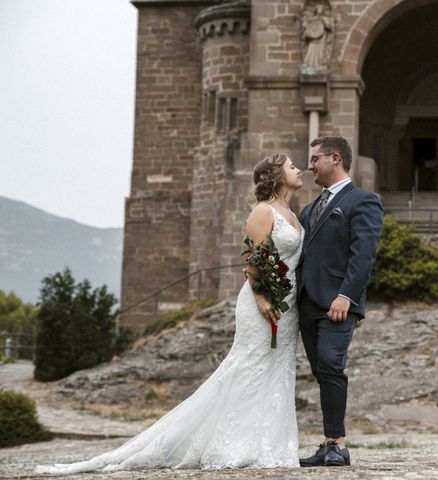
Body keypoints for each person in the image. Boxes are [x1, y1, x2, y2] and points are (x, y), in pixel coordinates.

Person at [35, 153, 304, 474]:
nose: (298, 169)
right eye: (291, 166)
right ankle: (232, 442)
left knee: (277, 369)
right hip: (261, 304)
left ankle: (270, 444)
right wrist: (261, 297)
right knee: (248, 369)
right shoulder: (262, 212)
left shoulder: (292, 213)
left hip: (287, 308)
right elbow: (253, 260)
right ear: (276, 175)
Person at [297, 136, 384, 467]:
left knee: (332, 365)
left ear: (335, 158)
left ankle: (337, 445)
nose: (310, 166)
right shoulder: (309, 209)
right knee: (323, 372)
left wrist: (346, 295)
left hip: (337, 302)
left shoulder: (363, 201)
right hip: (307, 303)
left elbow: (363, 255)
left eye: (315, 158)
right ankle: (328, 442)